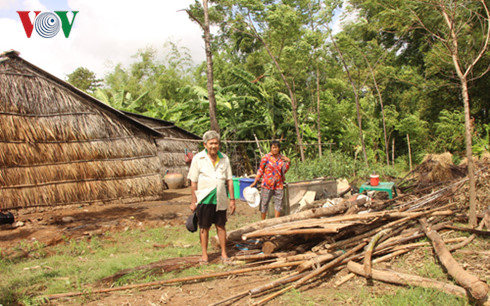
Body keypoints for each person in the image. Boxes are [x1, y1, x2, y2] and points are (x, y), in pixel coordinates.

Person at [188, 130, 236, 264]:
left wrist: (232, 199)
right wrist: (194, 201)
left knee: (221, 226)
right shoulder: (198, 159)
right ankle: (204, 255)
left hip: (220, 199)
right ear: (205, 145)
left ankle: (224, 253)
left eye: (216, 143)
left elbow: (229, 180)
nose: (214, 146)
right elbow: (193, 181)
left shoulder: (224, 158)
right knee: (204, 227)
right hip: (204, 198)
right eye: (211, 143)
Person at [250, 140, 290, 220]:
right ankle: (263, 222)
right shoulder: (266, 158)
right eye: (273, 147)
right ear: (271, 148)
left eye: (277, 147)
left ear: (279, 148)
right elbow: (260, 170)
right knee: (264, 203)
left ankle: (276, 221)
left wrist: (288, 161)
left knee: (278, 204)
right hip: (267, 185)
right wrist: (255, 181)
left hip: (279, 185)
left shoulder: (281, 158)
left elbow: (284, 170)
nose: (275, 149)